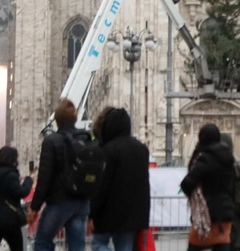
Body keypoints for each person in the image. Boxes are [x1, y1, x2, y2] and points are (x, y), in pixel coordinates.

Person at [29, 99, 92, 251]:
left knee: (42, 242)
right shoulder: (86, 139)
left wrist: (35, 207)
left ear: (57, 120)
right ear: (75, 119)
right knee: (77, 246)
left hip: (59, 202)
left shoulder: (51, 141)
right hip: (82, 202)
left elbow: (44, 177)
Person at [88, 108, 151, 251]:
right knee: (125, 247)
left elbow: (102, 186)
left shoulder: (109, 150)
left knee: (98, 245)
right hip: (133, 214)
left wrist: (92, 213)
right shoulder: (141, 149)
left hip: (110, 213)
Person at [180, 124, 236, 251]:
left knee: (194, 246)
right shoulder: (228, 157)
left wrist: (196, 195)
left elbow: (187, 183)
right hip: (225, 213)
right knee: (222, 245)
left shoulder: (206, 158)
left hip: (207, 215)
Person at [0, 147, 34, 251]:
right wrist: (28, 180)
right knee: (17, 247)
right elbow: (21, 192)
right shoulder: (10, 174)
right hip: (9, 220)